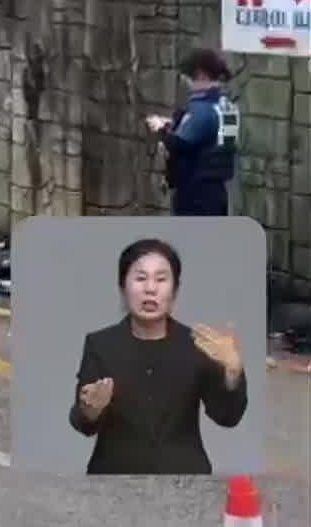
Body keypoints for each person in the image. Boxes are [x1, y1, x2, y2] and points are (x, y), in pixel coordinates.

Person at [70, 238, 247, 475]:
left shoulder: (196, 344)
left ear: (174, 291)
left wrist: (233, 373)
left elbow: (226, 417)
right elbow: (83, 423)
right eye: (140, 278)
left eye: (161, 279)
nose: (150, 289)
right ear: (123, 288)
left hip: (185, 477)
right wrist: (91, 409)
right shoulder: (100, 344)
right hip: (114, 477)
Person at [145, 48, 240, 216]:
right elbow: (209, 136)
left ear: (201, 76)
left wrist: (160, 128)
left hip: (195, 194)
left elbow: (180, 144)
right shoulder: (227, 107)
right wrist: (175, 124)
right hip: (217, 192)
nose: (188, 85)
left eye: (188, 79)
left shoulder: (202, 109)